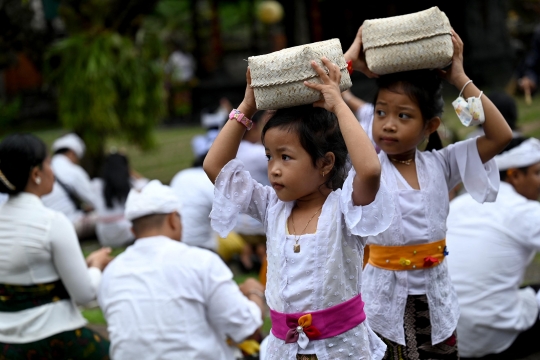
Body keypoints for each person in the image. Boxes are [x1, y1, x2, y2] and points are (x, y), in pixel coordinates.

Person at [204, 57, 393, 358]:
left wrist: (338, 105)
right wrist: (248, 106)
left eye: (286, 157)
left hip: (342, 350)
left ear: (325, 163)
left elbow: (369, 170)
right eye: (269, 157)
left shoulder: (346, 208)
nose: (274, 169)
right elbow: (215, 166)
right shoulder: (270, 208)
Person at [344, 27, 513, 358]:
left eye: (403, 115)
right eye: (381, 112)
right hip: (383, 300)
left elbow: (500, 135)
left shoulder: (443, 163)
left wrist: (460, 78)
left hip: (436, 299)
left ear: (430, 126)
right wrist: (353, 60)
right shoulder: (367, 168)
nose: (388, 124)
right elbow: (327, 95)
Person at [98, 180, 264, 360]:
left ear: (132, 230)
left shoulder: (111, 273)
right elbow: (247, 328)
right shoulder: (201, 261)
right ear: (172, 220)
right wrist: (254, 291)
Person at [0, 133, 112, 359]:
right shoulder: (51, 222)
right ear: (36, 174)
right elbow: (85, 295)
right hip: (52, 337)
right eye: (49, 163)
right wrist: (96, 266)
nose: (53, 171)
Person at [446, 137, 540, 359]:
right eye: (537, 173)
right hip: (490, 341)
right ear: (515, 175)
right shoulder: (523, 211)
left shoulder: (460, 203)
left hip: (449, 338)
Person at [235, 109, 274, 272]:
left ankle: (250, 252)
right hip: (258, 223)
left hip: (236, 224)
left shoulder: (232, 151)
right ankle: (260, 253)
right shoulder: (259, 154)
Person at [41, 133, 98, 239]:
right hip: (68, 225)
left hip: (46, 228)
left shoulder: (46, 169)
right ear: (72, 153)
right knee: (109, 215)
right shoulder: (73, 171)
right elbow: (94, 200)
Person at [91, 152, 148, 247]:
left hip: (105, 237)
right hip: (127, 233)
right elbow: (148, 184)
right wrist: (130, 172)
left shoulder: (96, 185)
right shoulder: (132, 184)